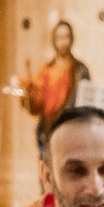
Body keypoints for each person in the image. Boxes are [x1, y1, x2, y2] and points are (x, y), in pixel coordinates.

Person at [12, 20, 92, 155]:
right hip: (47, 129)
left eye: (66, 37)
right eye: (60, 37)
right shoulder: (47, 70)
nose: (63, 42)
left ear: (71, 39)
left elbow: (83, 104)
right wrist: (28, 91)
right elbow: (37, 101)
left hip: (70, 130)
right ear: (54, 40)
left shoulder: (80, 70)